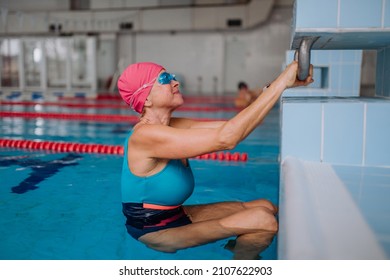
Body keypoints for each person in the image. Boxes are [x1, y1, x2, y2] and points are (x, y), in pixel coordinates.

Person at [117, 61, 313, 259]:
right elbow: (227, 139)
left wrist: (274, 88)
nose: (175, 82)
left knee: (266, 206)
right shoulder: (145, 137)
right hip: (153, 230)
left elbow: (235, 127)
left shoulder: (174, 126)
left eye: (172, 76)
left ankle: (238, 248)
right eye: (165, 79)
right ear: (147, 99)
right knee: (263, 220)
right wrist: (282, 83)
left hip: (175, 215)